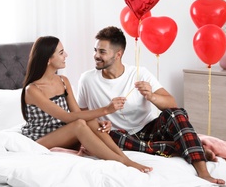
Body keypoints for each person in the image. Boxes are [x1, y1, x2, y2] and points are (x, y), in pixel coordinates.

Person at [76, 26, 225, 185]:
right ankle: (184, 147)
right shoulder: (87, 79)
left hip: (149, 129)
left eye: (102, 52)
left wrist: (151, 96)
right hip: (118, 134)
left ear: (118, 54)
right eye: (95, 50)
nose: (96, 55)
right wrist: (101, 122)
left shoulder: (139, 73)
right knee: (110, 138)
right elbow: (84, 116)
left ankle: (203, 172)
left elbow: (172, 104)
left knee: (176, 114)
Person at [20, 35, 152, 173]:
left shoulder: (63, 81)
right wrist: (107, 110)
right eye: (61, 53)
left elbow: (78, 114)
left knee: (90, 121)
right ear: (48, 59)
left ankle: (123, 157)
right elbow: (67, 117)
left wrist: (100, 121)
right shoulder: (33, 90)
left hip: (63, 134)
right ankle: (123, 162)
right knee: (79, 125)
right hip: (40, 140)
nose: (66, 55)